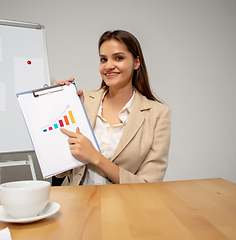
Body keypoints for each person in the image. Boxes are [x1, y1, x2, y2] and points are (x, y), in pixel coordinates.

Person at [54, 30, 170, 185]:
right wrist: (56, 109)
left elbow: (149, 185)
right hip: (76, 203)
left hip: (123, 206)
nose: (108, 66)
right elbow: (60, 171)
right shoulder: (81, 101)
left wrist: (95, 157)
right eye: (103, 59)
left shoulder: (157, 114)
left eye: (119, 58)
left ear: (136, 62)